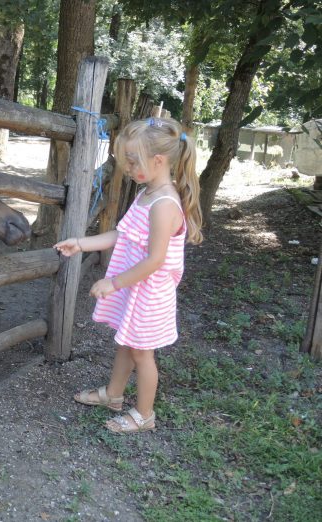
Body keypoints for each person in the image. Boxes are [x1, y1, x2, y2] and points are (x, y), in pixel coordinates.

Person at [54, 117, 203, 434]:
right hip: (136, 287)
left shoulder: (164, 204)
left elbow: (155, 260)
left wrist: (113, 282)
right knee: (126, 343)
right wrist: (80, 243)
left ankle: (145, 415)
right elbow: (122, 234)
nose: (128, 168)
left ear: (158, 161)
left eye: (133, 161)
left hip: (149, 294)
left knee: (141, 353)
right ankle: (113, 395)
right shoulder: (147, 193)